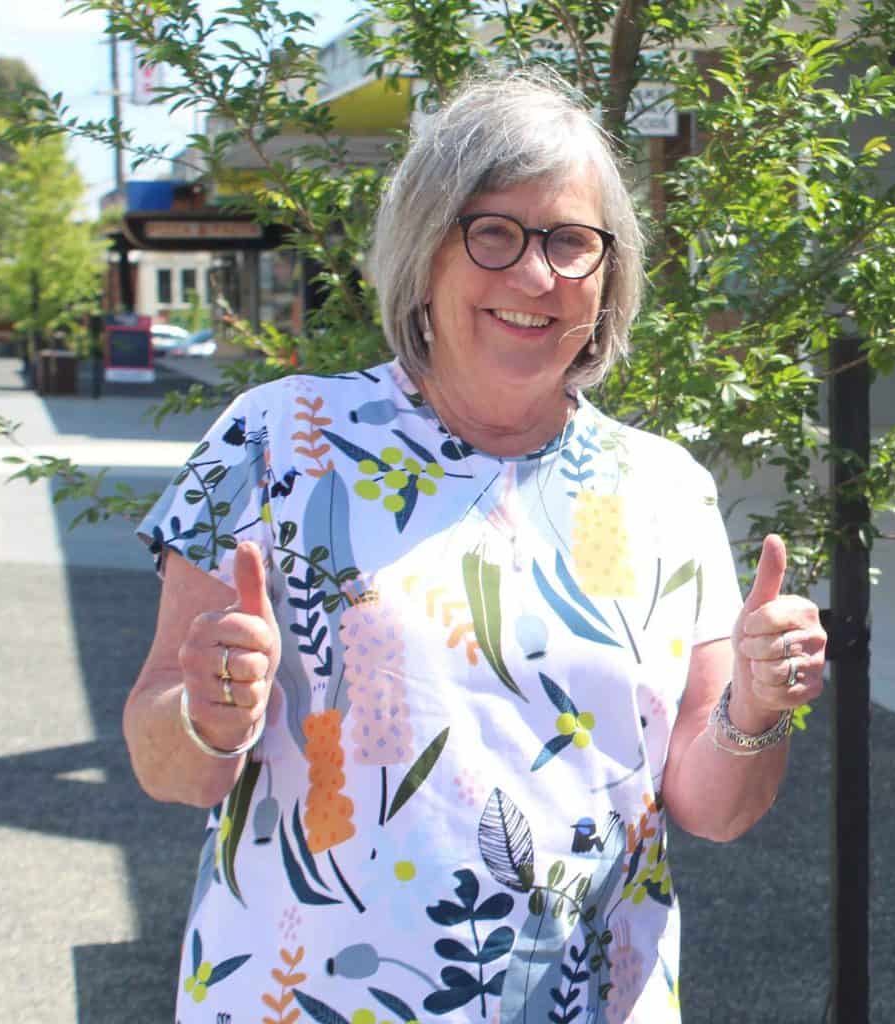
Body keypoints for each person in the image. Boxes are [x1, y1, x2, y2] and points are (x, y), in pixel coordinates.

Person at [124, 71, 827, 1023]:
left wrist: (756, 705)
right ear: (425, 255)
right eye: (493, 233)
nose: (536, 276)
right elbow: (169, 766)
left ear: (606, 277)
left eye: (572, 242)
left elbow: (716, 808)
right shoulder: (279, 440)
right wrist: (208, 709)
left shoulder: (663, 488)